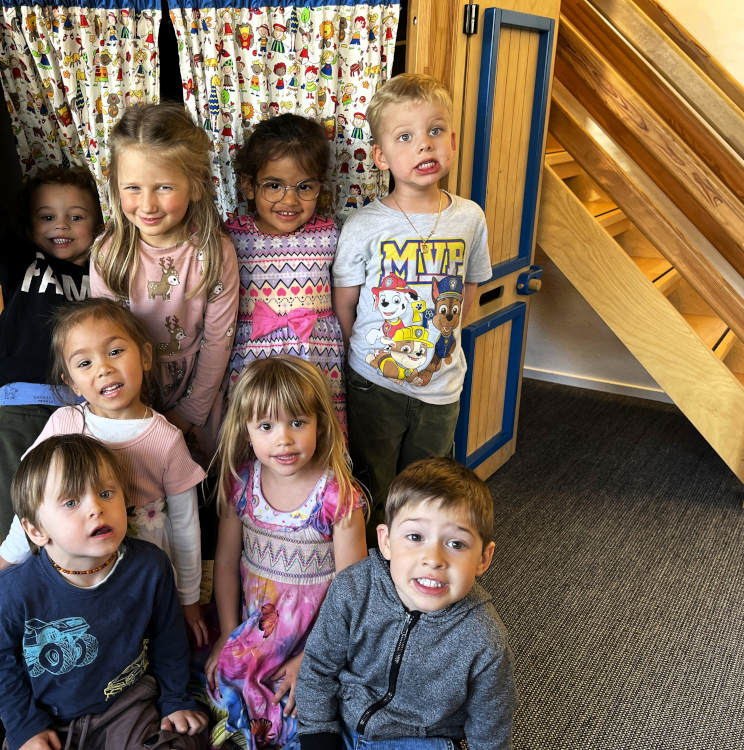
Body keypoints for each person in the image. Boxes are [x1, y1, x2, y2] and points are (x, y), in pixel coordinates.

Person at [0, 434, 207, 750]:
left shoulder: (151, 566)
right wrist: (25, 727)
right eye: (71, 502)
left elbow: (168, 637)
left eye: (106, 493)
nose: (96, 508)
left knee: (188, 740)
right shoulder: (15, 589)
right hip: (49, 715)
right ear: (36, 530)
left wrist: (176, 698)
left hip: (127, 705)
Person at [0, 298, 210, 647]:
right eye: (85, 363)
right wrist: (9, 553)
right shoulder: (65, 423)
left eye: (115, 352)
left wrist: (188, 598)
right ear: (73, 383)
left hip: (142, 566)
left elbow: (185, 525)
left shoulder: (166, 439)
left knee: (143, 636)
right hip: (79, 564)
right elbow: (35, 496)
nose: (103, 369)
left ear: (145, 357)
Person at [332, 73, 492, 533]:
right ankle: (373, 561)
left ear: (452, 141)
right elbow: (345, 303)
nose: (424, 145)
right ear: (380, 156)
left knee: (427, 486)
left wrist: (442, 339)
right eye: (405, 137)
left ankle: (413, 555)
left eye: (435, 131)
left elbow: (469, 289)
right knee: (372, 482)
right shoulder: (363, 225)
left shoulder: (469, 217)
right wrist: (369, 353)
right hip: (374, 385)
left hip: (441, 384)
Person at [0, 93, 103, 541]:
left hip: (87, 411)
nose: (61, 225)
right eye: (47, 217)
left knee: (82, 512)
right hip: (24, 411)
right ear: (31, 226)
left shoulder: (105, 274)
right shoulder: (24, 264)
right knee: (18, 514)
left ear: (97, 225)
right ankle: (17, 575)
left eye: (76, 217)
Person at [203, 356, 368, 750]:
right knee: (223, 681)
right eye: (266, 426)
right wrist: (227, 632)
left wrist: (311, 660)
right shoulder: (241, 484)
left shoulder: (337, 498)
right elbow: (225, 564)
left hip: (319, 637)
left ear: (320, 424)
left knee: (296, 712)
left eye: (297, 422)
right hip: (255, 628)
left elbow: (353, 594)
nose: (284, 440)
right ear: (246, 430)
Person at [295, 458, 516, 750]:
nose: (433, 559)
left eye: (456, 544)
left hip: (423, 740)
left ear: (483, 559)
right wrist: (319, 734)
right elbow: (318, 668)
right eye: (415, 537)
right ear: (386, 541)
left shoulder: (485, 639)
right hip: (342, 723)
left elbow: (491, 726)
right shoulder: (352, 589)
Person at [90, 102, 239, 461]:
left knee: (199, 482)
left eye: (164, 187)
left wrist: (190, 411)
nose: (147, 205)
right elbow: (106, 343)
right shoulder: (109, 255)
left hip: (199, 391)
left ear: (196, 186)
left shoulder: (214, 252)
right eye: (133, 188)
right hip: (129, 394)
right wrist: (132, 411)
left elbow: (218, 340)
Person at [225, 114, 347, 435]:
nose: (289, 200)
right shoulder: (232, 238)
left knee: (316, 435)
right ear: (249, 186)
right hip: (253, 362)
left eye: (304, 187)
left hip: (317, 361)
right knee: (258, 436)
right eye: (274, 185)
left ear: (319, 186)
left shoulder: (330, 234)